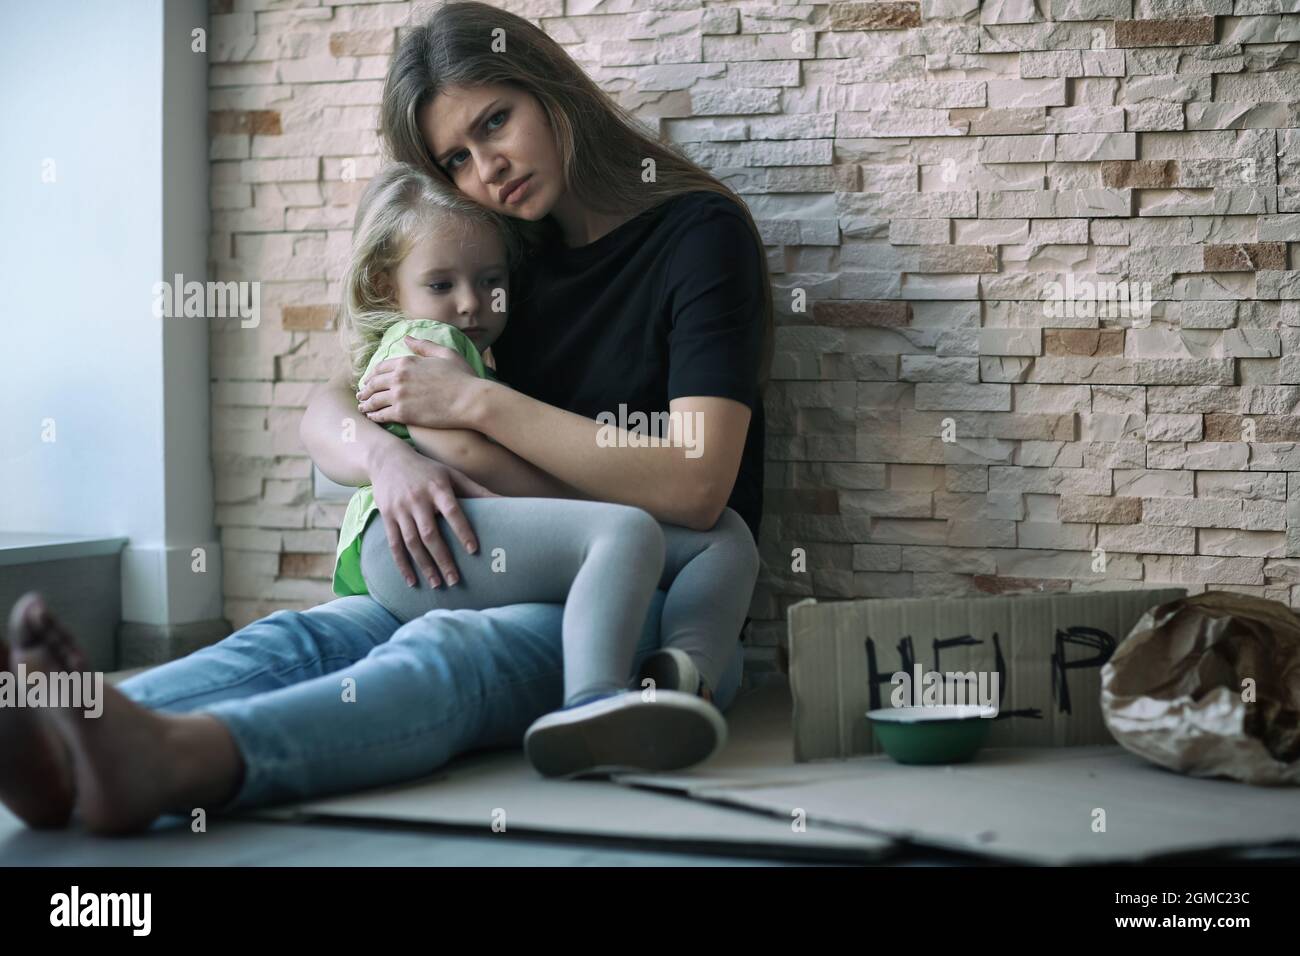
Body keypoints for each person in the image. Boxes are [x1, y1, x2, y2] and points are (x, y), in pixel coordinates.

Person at [0, 0, 772, 835]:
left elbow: (697, 483)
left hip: (637, 598)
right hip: (486, 551)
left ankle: (179, 761)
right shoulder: (501, 249)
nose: (489, 169)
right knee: (313, 635)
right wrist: (384, 457)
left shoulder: (698, 236)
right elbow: (332, 400)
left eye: (496, 121)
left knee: (447, 654)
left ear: (552, 91)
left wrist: (478, 402)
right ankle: (56, 739)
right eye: (457, 157)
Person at [333, 161, 759, 776]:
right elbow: (461, 454)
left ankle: (680, 680)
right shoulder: (426, 343)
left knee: (724, 538)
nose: (471, 303)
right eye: (441, 283)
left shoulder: (473, 350)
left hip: (462, 532)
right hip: (416, 537)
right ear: (384, 283)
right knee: (624, 532)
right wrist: (591, 505)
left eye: (489, 281)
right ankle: (589, 707)